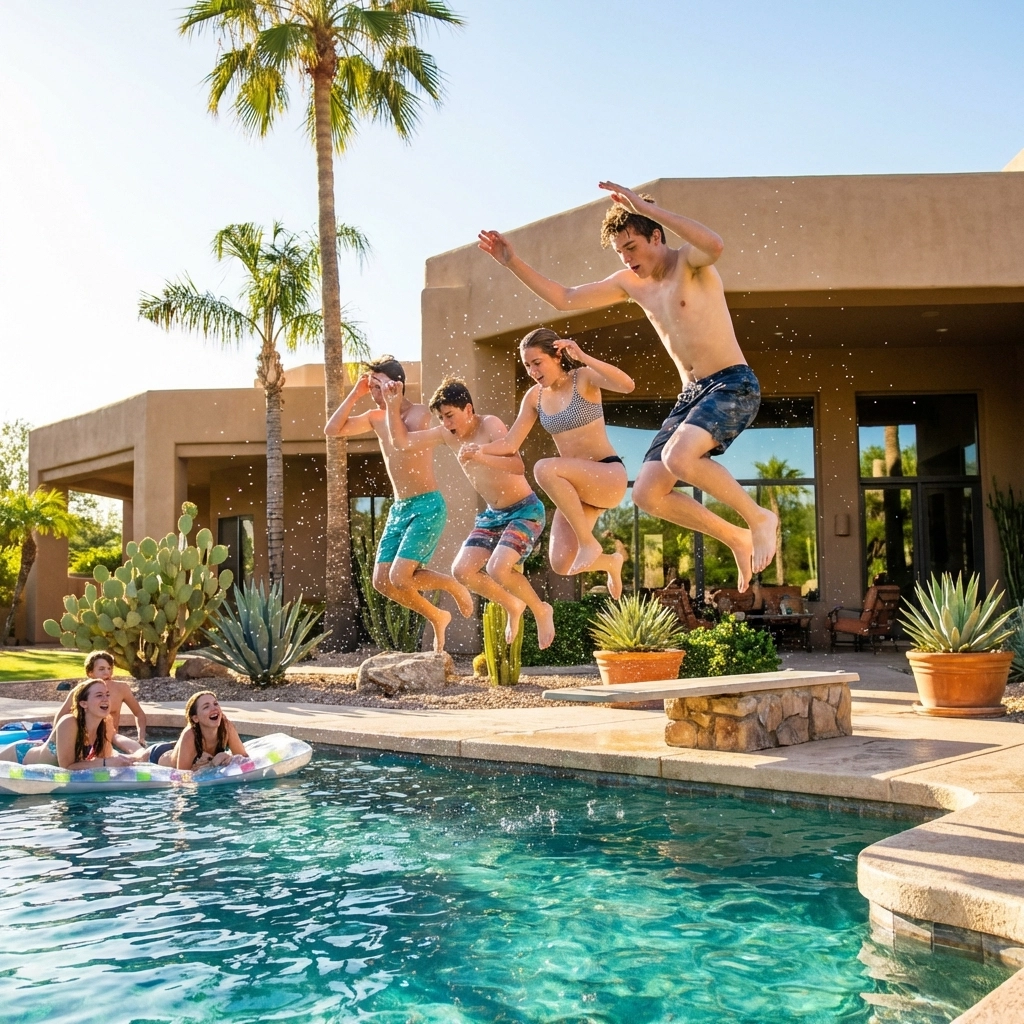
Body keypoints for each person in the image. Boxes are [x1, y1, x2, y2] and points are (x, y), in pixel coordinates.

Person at [479, 182, 776, 592]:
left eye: (632, 246)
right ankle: (736, 537)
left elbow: (716, 244)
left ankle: (759, 518)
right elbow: (565, 298)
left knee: (679, 459)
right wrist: (513, 262)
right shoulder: (630, 284)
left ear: (656, 234)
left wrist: (643, 206)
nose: (627, 259)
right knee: (648, 496)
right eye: (620, 251)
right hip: (690, 396)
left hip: (731, 382)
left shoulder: (691, 263)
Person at [383, 376, 555, 649]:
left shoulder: (490, 425)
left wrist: (479, 455)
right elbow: (402, 443)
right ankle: (512, 604)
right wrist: (393, 406)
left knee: (499, 568)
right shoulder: (445, 434)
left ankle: (540, 609)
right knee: (462, 571)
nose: (446, 424)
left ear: (469, 410)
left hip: (525, 510)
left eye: (450, 416)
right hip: (493, 516)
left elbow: (517, 467)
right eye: (441, 418)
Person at [325, 355, 474, 651]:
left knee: (400, 576)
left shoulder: (420, 414)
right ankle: (437, 616)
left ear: (397, 386)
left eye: (378, 386)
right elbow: (332, 430)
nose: (375, 393)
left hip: (427, 505)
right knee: (382, 581)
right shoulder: (375, 417)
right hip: (399, 509)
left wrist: (393, 405)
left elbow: (401, 440)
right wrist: (355, 393)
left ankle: (452, 584)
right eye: (372, 387)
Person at [477, 329, 634, 598]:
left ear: (558, 355)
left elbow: (627, 385)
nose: (532, 371)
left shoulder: (582, 378)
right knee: (562, 563)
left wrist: (583, 356)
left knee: (543, 468)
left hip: (607, 475)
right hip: (577, 492)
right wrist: (479, 451)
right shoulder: (534, 397)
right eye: (527, 366)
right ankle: (610, 562)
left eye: (537, 363)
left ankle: (588, 543)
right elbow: (510, 444)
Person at [51, 651, 147, 753]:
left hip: (111, 739)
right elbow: (60, 716)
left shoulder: (122, 688)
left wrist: (141, 738)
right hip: (87, 742)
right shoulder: (80, 692)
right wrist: (54, 742)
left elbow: (139, 713)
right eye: (101, 669)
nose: (107, 673)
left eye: (109, 668)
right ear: (90, 673)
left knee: (136, 753)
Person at [168, 691, 247, 771]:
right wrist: (210, 766)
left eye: (215, 704)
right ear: (196, 718)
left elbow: (244, 759)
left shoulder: (226, 727)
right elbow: (181, 777)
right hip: (160, 755)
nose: (214, 708)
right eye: (206, 707)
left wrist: (230, 759)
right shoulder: (190, 735)